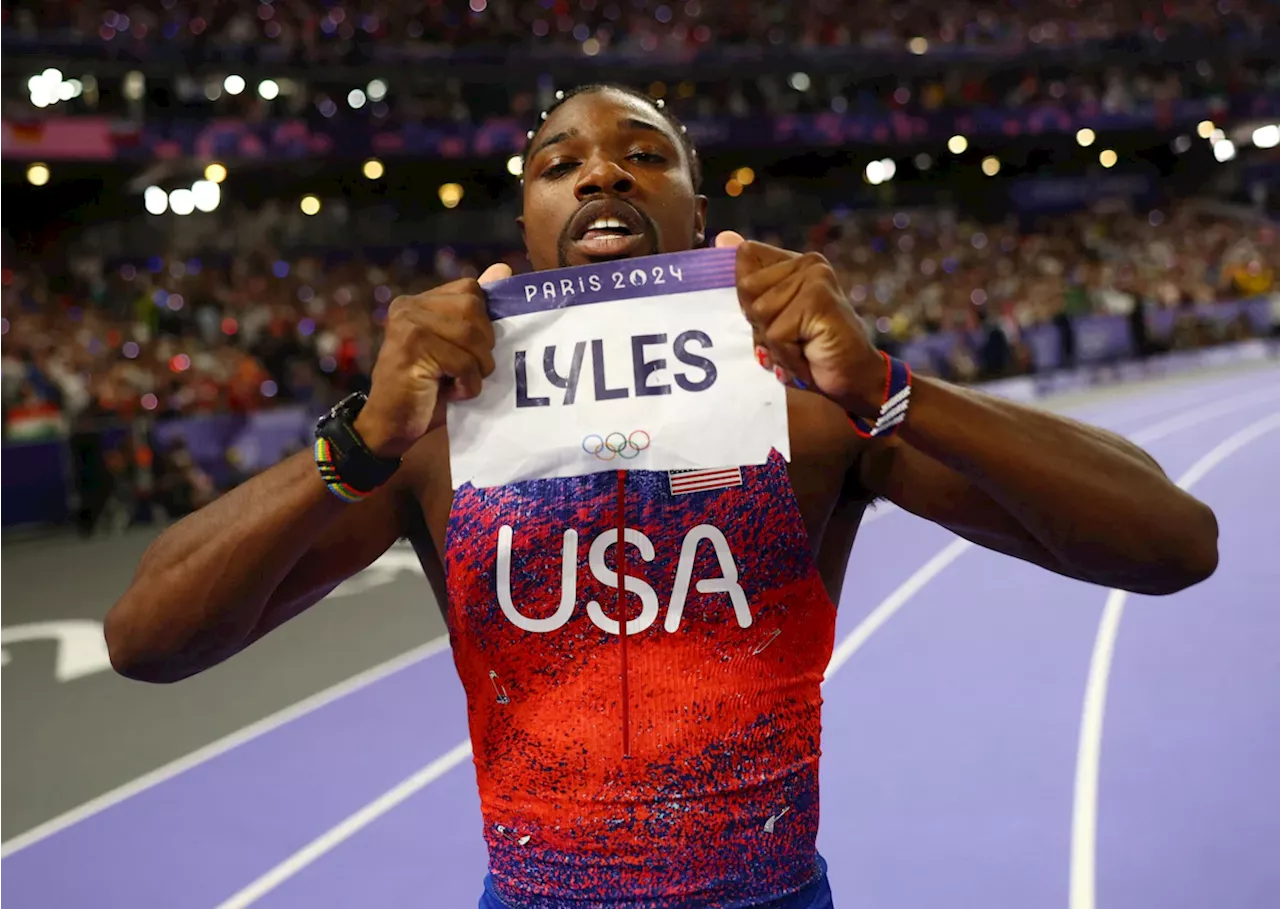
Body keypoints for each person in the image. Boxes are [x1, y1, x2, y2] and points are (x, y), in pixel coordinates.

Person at [104, 84, 1220, 908]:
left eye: (645, 154)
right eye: (560, 164)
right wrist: (356, 440)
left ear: (695, 219)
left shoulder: (811, 408)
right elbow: (147, 640)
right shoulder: (434, 437)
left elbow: (1171, 543)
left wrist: (887, 386)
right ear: (528, 231)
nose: (601, 173)